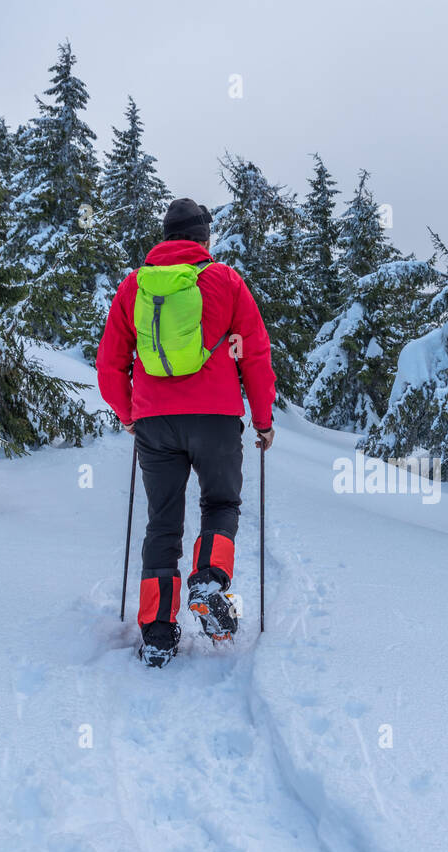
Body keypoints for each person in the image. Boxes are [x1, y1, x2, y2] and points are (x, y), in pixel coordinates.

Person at [97, 197, 276, 666]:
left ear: (166, 236)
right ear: (203, 238)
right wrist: (262, 420)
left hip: (155, 421)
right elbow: (254, 353)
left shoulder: (135, 286)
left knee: (162, 522)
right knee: (220, 503)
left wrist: (128, 413)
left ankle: (157, 631)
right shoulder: (225, 281)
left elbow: (109, 363)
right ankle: (210, 579)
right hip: (216, 418)